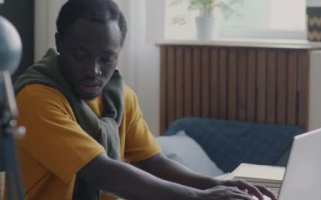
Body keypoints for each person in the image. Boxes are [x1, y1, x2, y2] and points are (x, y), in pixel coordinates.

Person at [14, 0, 276, 199]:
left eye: (106, 59)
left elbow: (153, 162)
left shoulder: (120, 96)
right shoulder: (36, 98)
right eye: (81, 55)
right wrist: (198, 197)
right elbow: (100, 171)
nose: (93, 71)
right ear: (60, 43)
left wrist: (215, 184)